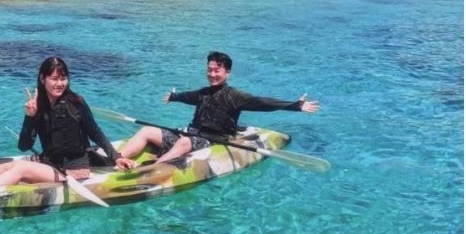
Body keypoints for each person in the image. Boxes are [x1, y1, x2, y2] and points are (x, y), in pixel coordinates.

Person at [0, 56, 134, 190]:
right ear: (43, 79)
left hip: (72, 171)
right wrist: (30, 117)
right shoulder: (38, 106)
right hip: (49, 163)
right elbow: (24, 146)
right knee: (11, 164)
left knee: (21, 169)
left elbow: (95, 132)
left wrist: (116, 156)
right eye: (54, 78)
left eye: (64, 78)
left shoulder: (76, 103)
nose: (60, 83)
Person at [119, 51, 320, 165]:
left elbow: (262, 102)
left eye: (217, 70)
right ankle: (116, 159)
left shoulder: (236, 96)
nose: (212, 74)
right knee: (147, 130)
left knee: (184, 143)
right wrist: (173, 97)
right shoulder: (203, 93)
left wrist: (295, 105)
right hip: (190, 136)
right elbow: (186, 96)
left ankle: (152, 168)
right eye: (209, 70)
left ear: (227, 72)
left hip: (212, 141)